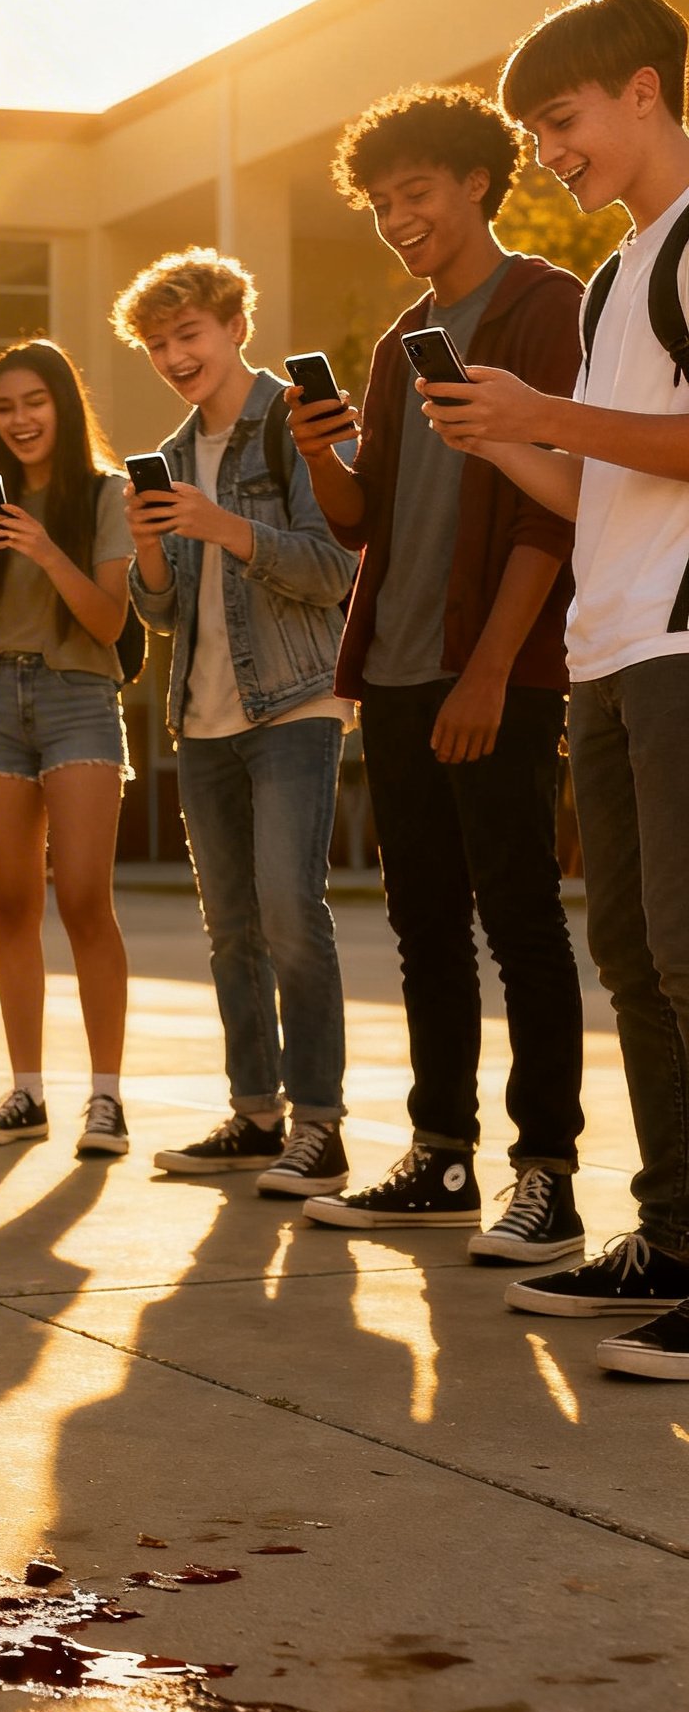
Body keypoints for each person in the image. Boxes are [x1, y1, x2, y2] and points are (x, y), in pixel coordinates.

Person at [419, 0, 689, 1377]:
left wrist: (543, 412)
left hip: (684, 651)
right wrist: (499, 436)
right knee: (637, 957)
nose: (554, 154)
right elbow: (602, 476)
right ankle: (675, 1234)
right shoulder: (612, 279)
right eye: (538, 134)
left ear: (643, 90)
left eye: (564, 122)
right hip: (612, 645)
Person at [293, 85, 587, 1258]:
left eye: (413, 191)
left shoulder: (540, 304)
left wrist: (490, 670)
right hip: (399, 669)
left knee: (519, 919)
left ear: (476, 179)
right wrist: (323, 456)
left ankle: (546, 1174)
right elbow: (365, 520)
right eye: (377, 202)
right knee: (421, 925)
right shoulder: (392, 342)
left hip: (495, 674)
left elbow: (549, 509)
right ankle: (439, 1154)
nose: (395, 216)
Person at [116, 249, 360, 1200]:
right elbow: (166, 613)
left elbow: (336, 569)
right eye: (159, 343)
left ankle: (322, 1129)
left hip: (295, 702)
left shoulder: (292, 428)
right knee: (232, 933)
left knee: (295, 917)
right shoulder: (172, 458)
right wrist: (147, 555)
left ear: (234, 327)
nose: (177, 356)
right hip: (202, 718)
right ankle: (256, 1115)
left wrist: (224, 528)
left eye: (191, 334)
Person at [0, 341, 133, 1160]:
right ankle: (26, 1092)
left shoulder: (104, 494)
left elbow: (110, 623)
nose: (20, 420)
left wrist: (44, 549)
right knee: (13, 903)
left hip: (77, 695)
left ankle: (107, 1101)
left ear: (63, 404)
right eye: (4, 408)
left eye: (35, 402)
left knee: (86, 898)